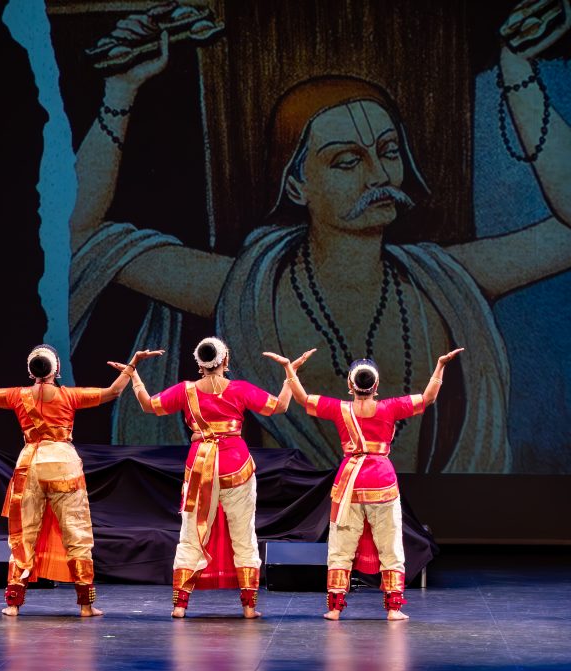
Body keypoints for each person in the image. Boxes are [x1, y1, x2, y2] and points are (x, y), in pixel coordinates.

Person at [68, 2, 569, 473]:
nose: (380, 176)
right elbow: (81, 235)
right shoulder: (246, 292)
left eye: (389, 151)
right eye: (347, 161)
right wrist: (120, 91)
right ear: (296, 185)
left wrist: (518, 76)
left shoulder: (440, 284)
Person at [0, 345, 152, 617]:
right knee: (76, 534)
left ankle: (13, 603)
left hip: (29, 465)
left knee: (24, 535)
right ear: (56, 369)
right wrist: (132, 364)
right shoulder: (69, 395)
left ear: (31, 371)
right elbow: (113, 392)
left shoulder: (18, 395)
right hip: (64, 465)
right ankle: (86, 605)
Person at [266, 346, 463, 619]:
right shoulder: (390, 408)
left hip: (350, 483)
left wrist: (290, 369)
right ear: (376, 386)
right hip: (381, 482)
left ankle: (335, 608)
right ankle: (393, 609)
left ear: (350, 385)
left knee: (341, 547)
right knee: (390, 546)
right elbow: (428, 398)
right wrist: (440, 365)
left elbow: (302, 399)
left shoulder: (340, 409)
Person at [118, 338, 309, 617]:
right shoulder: (240, 389)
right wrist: (290, 373)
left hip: (201, 466)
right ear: (225, 360)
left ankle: (180, 605)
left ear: (200, 364)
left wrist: (134, 374)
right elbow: (279, 406)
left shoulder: (186, 391)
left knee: (190, 535)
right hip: (236, 466)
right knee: (243, 535)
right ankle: (248, 607)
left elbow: (148, 405)